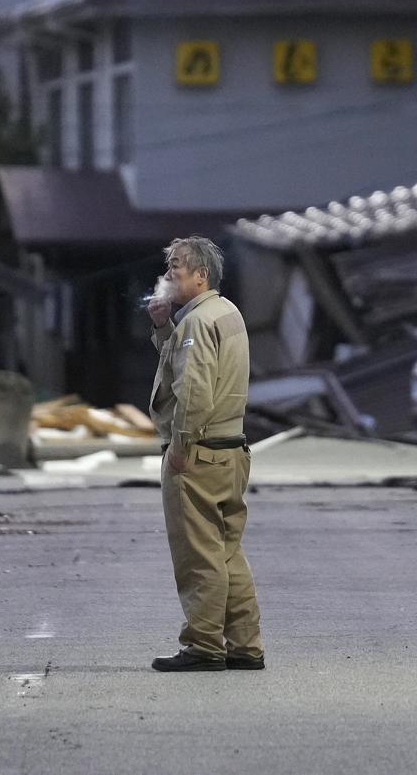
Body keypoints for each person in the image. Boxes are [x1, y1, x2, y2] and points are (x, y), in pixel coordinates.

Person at [146, 235, 263, 672]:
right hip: (231, 450)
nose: (169, 273)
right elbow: (186, 366)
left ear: (201, 276)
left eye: (178, 266)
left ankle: (204, 645)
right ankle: (245, 646)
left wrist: (180, 444)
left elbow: (193, 388)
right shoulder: (224, 312)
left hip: (200, 452)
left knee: (199, 556)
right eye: (169, 265)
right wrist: (163, 327)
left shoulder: (197, 323)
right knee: (229, 552)